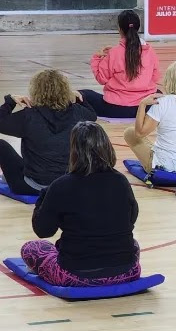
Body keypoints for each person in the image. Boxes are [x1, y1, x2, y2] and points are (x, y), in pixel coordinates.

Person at [20, 121, 141, 288]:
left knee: (31, 248)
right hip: (127, 271)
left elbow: (43, 231)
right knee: (133, 244)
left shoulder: (61, 186)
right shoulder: (121, 181)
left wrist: (43, 197)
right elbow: (131, 218)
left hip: (76, 274)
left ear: (73, 150)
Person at [0, 69, 96, 197]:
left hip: (32, 187)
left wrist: (10, 102)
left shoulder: (29, 116)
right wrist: (79, 99)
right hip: (68, 184)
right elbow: (92, 115)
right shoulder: (78, 112)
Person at [81, 10, 161, 118]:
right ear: (138, 27)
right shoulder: (149, 51)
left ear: (120, 29)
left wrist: (97, 58)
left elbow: (102, 79)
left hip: (117, 108)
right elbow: (155, 78)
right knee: (159, 92)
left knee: (82, 94)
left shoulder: (114, 53)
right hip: (145, 108)